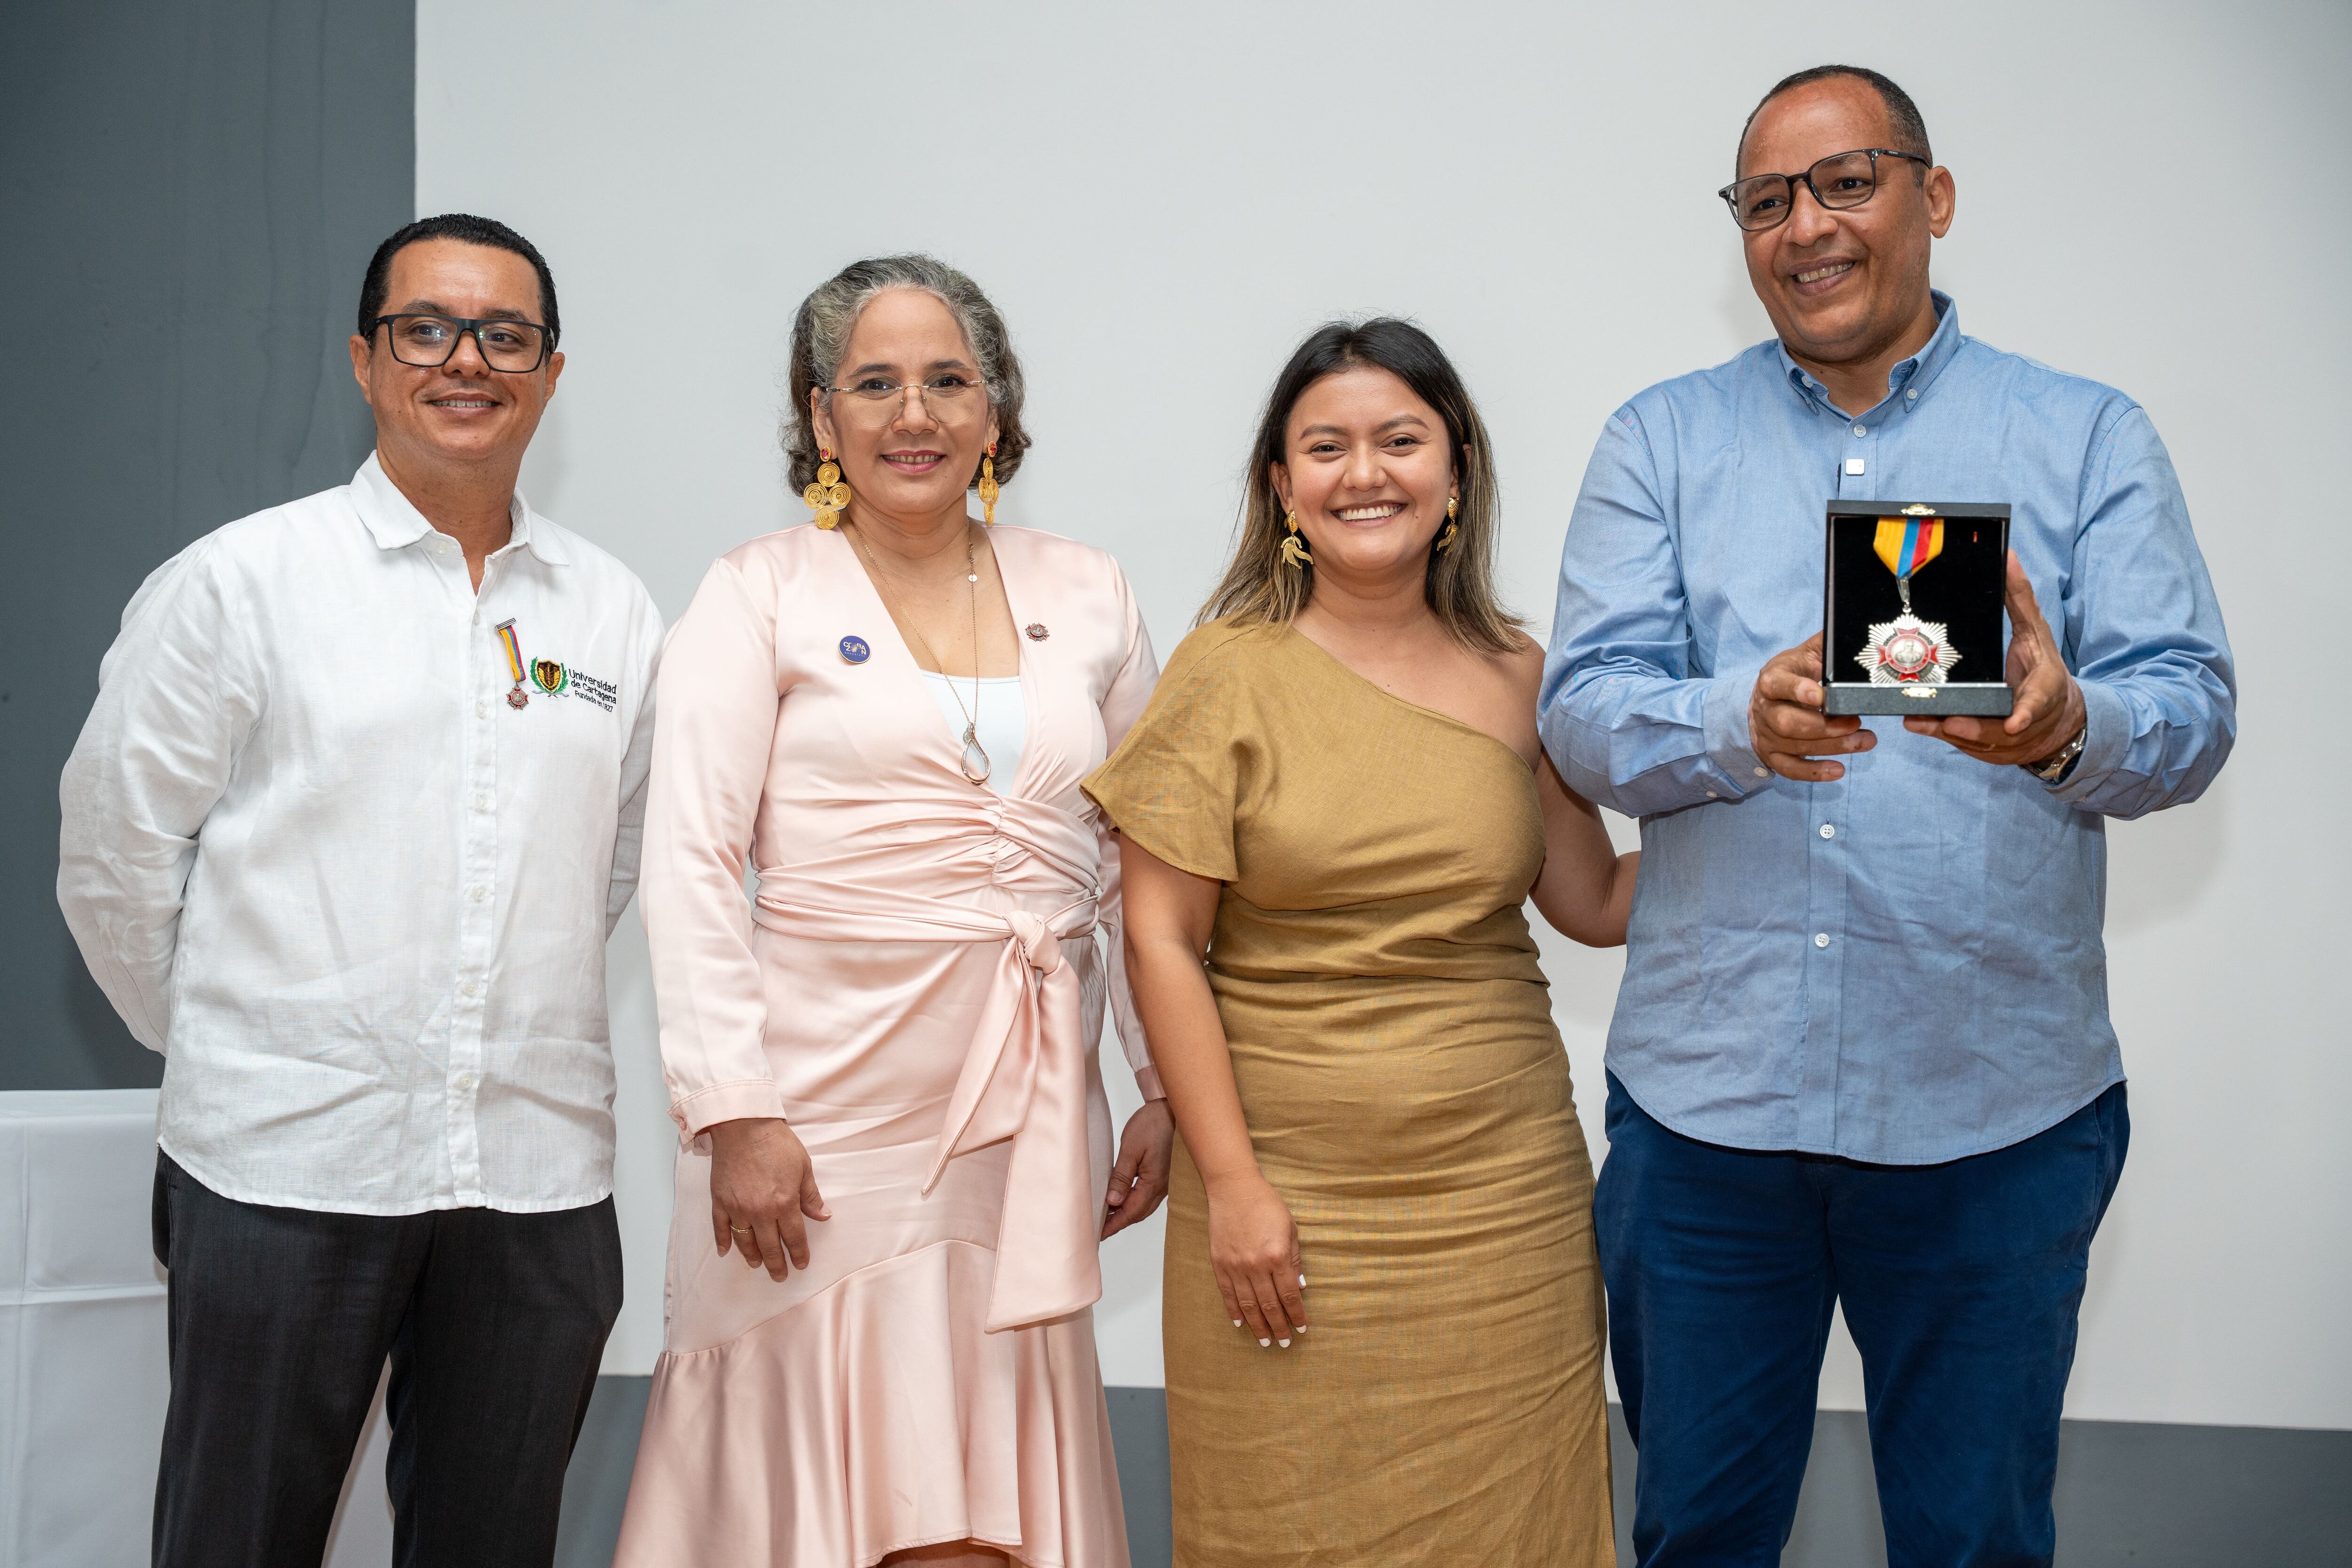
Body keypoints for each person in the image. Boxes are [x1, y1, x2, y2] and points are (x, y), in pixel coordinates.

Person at [1544, 65, 2236, 1567]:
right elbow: (1584, 713)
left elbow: (2190, 706)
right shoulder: (1658, 442)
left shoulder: (2084, 435)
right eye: (1767, 200)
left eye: (1846, 182)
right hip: (1710, 1121)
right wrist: (1735, 717)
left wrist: (2069, 729)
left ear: (1934, 198)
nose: (1806, 228)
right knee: (1698, 1537)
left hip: (1996, 1114)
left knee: (1975, 1540)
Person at [56, 214, 663, 1567]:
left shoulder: (612, 612)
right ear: (365, 358)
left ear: (551, 373)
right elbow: (113, 856)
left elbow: (606, 865)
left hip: (536, 1179)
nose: (468, 361)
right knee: (239, 1542)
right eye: (427, 328)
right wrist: (240, 1040)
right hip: (285, 1165)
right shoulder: (244, 584)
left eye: (507, 335)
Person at [610, 255, 1172, 1568]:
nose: (911, 413)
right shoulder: (757, 593)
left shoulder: (1089, 590)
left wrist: (1154, 1084)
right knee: (826, 1496)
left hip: (1026, 1124)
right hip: (813, 1132)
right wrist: (736, 1112)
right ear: (822, 419)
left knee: (979, 1501)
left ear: (995, 412)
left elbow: (1138, 860)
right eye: (874, 383)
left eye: (946, 380)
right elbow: (689, 859)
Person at [1089, 319, 1637, 1567]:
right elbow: (1162, 940)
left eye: (1400, 439)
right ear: (1281, 486)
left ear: (1456, 470)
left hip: (1505, 1205)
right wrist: (1229, 1187)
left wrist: (1790, 813)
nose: (1365, 473)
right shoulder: (1223, 671)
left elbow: (1596, 898)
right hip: (1281, 1194)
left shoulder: (1521, 674)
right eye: (1325, 447)